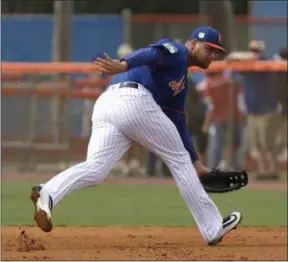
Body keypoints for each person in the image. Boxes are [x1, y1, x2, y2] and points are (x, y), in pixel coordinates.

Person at [30, 27, 242, 246]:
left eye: (217, 52)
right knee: (179, 160)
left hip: (107, 104)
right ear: (193, 44)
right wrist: (123, 64)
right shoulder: (178, 51)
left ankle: (48, 193)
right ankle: (212, 228)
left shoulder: (180, 82)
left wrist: (197, 165)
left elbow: (179, 123)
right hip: (133, 99)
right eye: (209, 48)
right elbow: (153, 53)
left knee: (95, 169)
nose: (213, 55)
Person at [242, 41, 280, 179]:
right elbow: (232, 59)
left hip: (266, 110)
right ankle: (263, 171)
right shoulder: (245, 65)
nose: (253, 52)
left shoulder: (265, 64)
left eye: (256, 50)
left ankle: (272, 170)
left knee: (268, 144)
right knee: (257, 145)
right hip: (252, 110)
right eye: (251, 50)